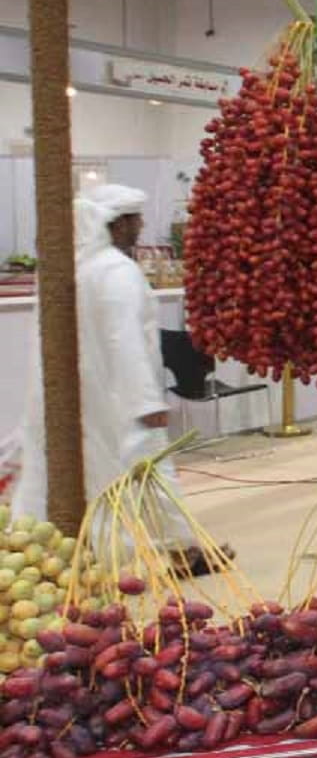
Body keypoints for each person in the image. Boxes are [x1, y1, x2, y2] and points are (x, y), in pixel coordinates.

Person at [12, 184, 197, 554]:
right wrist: (146, 402)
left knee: (100, 475)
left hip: (87, 395)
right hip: (123, 399)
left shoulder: (77, 271)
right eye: (134, 219)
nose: (141, 225)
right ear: (115, 224)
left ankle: (57, 547)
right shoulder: (117, 271)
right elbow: (124, 339)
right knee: (149, 473)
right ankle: (179, 549)